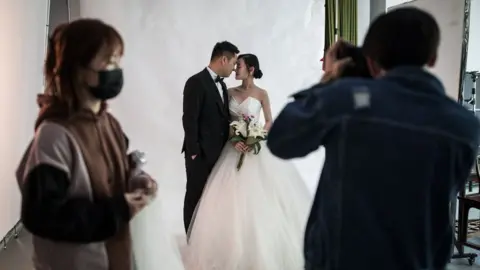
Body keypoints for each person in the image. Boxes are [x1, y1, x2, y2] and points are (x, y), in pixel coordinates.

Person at [267, 7, 480, 270]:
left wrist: (331, 80)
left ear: (371, 60)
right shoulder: (465, 125)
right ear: (433, 57)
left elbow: (281, 140)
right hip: (419, 261)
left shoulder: (346, 100)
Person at [15, 19, 156, 270]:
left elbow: (114, 176)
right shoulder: (54, 135)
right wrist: (117, 210)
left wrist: (137, 180)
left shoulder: (109, 123)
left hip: (113, 257)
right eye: (109, 62)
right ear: (79, 69)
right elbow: (43, 216)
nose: (117, 70)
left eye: (118, 62)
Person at [184, 54, 311, 270]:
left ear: (250, 69)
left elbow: (269, 120)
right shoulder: (229, 92)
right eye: (235, 66)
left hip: (255, 149)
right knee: (225, 198)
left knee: (259, 199)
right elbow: (224, 121)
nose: (235, 70)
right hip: (232, 149)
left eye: (239, 66)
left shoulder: (262, 94)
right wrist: (235, 138)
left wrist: (257, 137)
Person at [181, 41, 240, 232]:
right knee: (195, 197)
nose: (233, 69)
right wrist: (194, 153)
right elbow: (189, 119)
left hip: (219, 154)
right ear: (224, 59)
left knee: (213, 200)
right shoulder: (195, 82)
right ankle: (191, 241)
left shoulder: (222, 86)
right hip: (200, 155)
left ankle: (206, 241)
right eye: (233, 63)